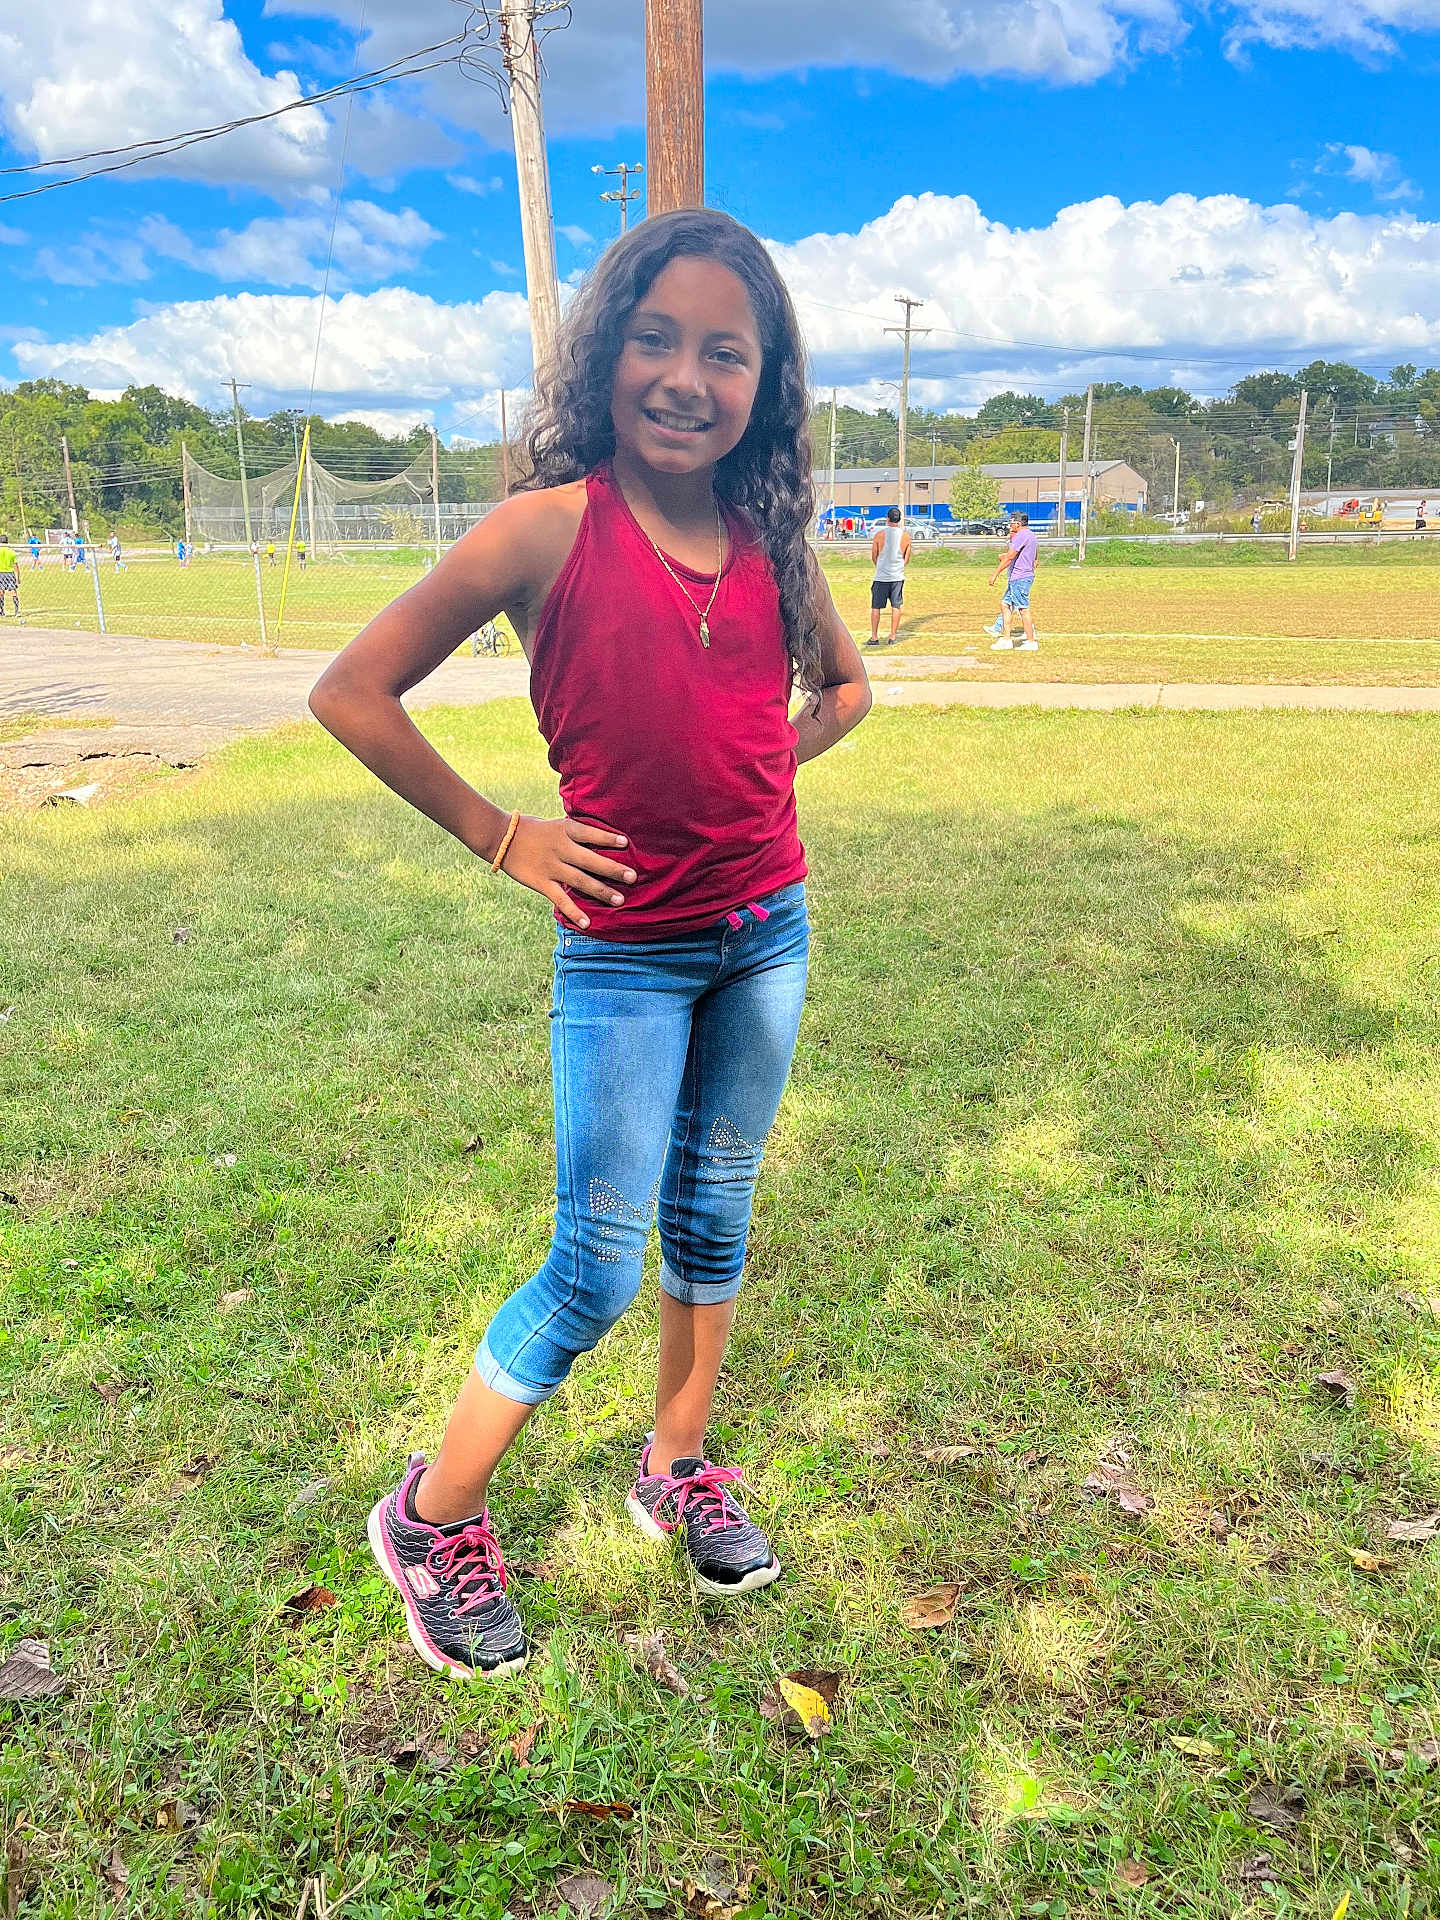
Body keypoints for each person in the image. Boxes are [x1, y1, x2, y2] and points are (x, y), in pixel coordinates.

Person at [309, 208, 872, 1681]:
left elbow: (845, 690)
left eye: (727, 353)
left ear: (769, 382)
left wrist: (760, 768)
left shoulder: (773, 539)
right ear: (605, 353)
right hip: (626, 959)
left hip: (766, 934)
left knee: (717, 1215)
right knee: (596, 1266)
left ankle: (675, 1465)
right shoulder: (544, 528)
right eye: (656, 339)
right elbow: (353, 690)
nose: (687, 377)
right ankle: (430, 1516)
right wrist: (505, 835)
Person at [987, 511, 1039, 651]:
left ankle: (1031, 641)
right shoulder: (1032, 536)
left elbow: (1009, 557)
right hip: (1023, 576)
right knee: (1005, 605)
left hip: (1019, 578)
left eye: (1012, 523)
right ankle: (1006, 640)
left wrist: (995, 574)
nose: (1010, 525)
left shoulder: (1021, 535)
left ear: (1018, 523)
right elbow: (1035, 559)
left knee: (1023, 609)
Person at [868, 505, 910, 646]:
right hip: (897, 577)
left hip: (881, 577)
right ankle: (892, 636)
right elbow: (906, 559)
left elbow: (874, 555)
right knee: (896, 606)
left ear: (887, 519)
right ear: (899, 519)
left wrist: (880, 566)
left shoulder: (879, 535)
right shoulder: (905, 537)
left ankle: (874, 637)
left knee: (876, 607)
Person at [0, 535, 19, 618]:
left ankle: (1, 611)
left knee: (1, 592)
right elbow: (16, 565)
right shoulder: (11, 551)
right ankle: (17, 611)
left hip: (0, 573)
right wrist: (18, 577)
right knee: (13, 592)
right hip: (10, 573)